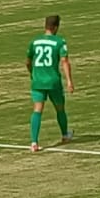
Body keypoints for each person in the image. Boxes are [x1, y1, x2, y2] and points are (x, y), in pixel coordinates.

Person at [26, 14, 75, 152]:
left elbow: (28, 62)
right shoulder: (59, 42)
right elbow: (64, 61)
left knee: (37, 110)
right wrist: (69, 81)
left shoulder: (34, 41)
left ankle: (34, 142)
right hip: (53, 81)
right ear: (56, 27)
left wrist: (32, 73)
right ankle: (65, 135)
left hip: (38, 81)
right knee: (60, 108)